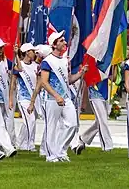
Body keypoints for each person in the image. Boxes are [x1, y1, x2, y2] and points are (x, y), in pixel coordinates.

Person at [28, 32, 85, 162]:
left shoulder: (65, 61)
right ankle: (51, 155)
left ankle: (61, 151)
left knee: (72, 124)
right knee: (51, 128)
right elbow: (44, 82)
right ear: (54, 44)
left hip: (66, 98)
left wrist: (80, 74)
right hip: (52, 99)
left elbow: (69, 80)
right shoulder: (47, 62)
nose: (65, 43)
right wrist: (56, 95)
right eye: (61, 41)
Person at [74, 51, 115, 153]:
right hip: (94, 93)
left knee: (100, 121)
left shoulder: (107, 61)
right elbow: (85, 80)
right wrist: (84, 100)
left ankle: (83, 138)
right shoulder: (89, 58)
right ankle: (107, 146)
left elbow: (113, 78)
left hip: (105, 92)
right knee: (102, 120)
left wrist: (115, 66)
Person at [11, 43, 39, 151]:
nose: (34, 53)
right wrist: (16, 54)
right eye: (32, 51)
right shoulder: (19, 64)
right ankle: (25, 144)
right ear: (27, 52)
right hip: (23, 98)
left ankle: (25, 143)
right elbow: (20, 69)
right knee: (30, 120)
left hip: (34, 98)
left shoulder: (35, 66)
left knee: (29, 122)